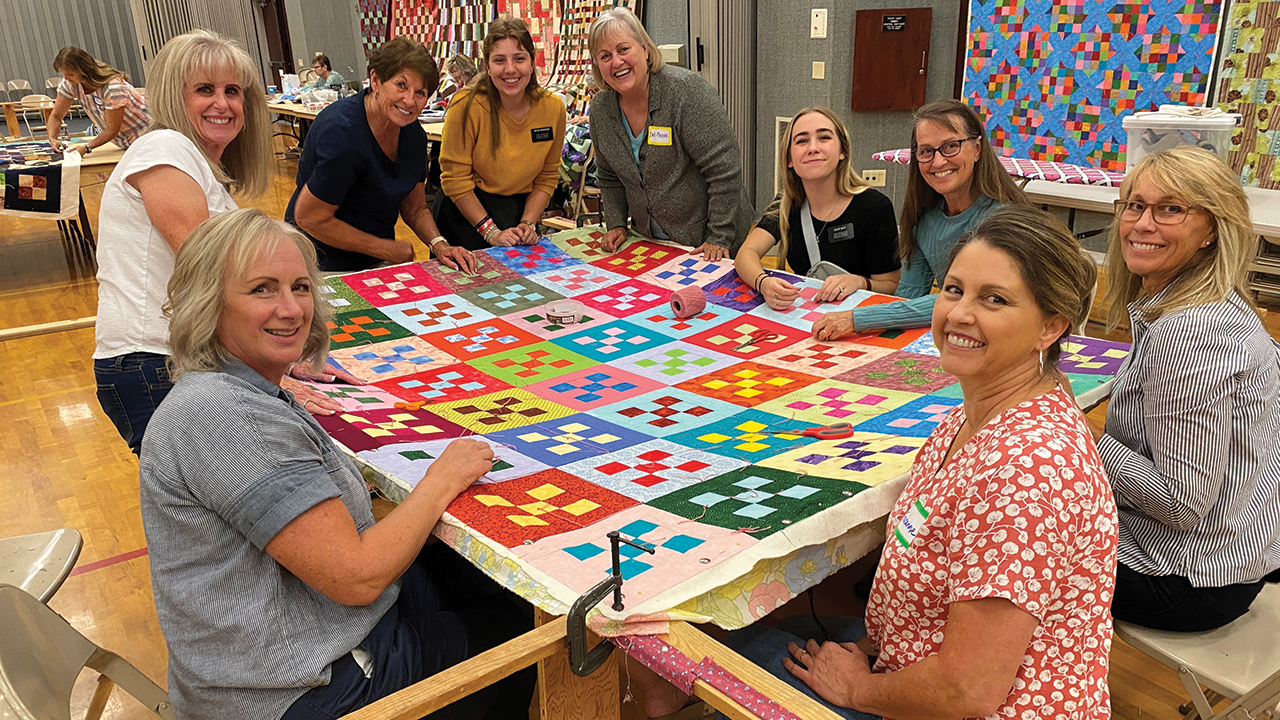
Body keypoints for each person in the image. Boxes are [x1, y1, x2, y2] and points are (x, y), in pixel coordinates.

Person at [694, 206, 1114, 720]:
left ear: (1050, 327)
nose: (959, 314)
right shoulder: (978, 417)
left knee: (728, 665)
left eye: (995, 299)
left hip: (973, 706)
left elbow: (968, 690)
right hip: (915, 657)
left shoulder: (1025, 471)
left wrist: (856, 690)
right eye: (954, 290)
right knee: (758, 641)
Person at [141, 208, 535, 720]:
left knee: (494, 580)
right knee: (521, 629)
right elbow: (356, 578)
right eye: (262, 289)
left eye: (300, 287)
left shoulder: (231, 389)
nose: (291, 309)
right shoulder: (226, 417)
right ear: (208, 304)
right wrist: (442, 477)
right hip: (296, 689)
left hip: (292, 634)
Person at [1092, 146, 1280, 632]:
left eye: (1170, 209)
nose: (1142, 224)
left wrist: (1080, 437)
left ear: (1212, 229)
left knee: (989, 529)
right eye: (1135, 205)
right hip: (1236, 553)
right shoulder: (1216, 303)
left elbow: (1181, 502)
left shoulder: (1191, 333)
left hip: (1183, 579)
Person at [92, 29, 276, 453]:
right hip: (156, 361)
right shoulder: (165, 147)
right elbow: (208, 269)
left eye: (233, 91)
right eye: (204, 90)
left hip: (174, 359)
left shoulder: (193, 162)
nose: (222, 104)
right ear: (174, 96)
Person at [811, 100, 1026, 342]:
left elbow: (965, 299)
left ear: (977, 149)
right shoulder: (924, 219)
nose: (938, 161)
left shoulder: (1003, 221)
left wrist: (857, 319)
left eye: (951, 146)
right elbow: (909, 297)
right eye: (926, 151)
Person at [287, 37, 476, 273]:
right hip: (316, 263)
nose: (410, 100)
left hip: (374, 259)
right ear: (376, 80)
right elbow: (310, 217)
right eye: (401, 85)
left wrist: (440, 245)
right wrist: (385, 249)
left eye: (420, 92)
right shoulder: (341, 133)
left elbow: (415, 208)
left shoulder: (413, 135)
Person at [587, 8, 753, 261]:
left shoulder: (685, 93)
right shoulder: (601, 110)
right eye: (605, 56)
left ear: (645, 49)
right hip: (650, 242)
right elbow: (609, 176)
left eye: (623, 49)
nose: (617, 62)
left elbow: (724, 170)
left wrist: (719, 237)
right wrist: (617, 223)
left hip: (709, 240)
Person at [735, 107, 900, 308]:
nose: (813, 148)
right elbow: (746, 253)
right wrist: (763, 283)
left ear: (842, 151)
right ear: (789, 159)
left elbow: (890, 285)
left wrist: (859, 282)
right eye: (801, 141)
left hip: (857, 316)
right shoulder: (786, 203)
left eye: (824, 138)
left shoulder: (875, 207)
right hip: (803, 313)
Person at [435, 18, 566, 250]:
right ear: (487, 65)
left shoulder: (552, 109)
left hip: (518, 213)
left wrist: (528, 223)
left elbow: (547, 175)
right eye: (499, 60)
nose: (510, 69)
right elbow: (455, 179)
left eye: (519, 58)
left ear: (532, 62)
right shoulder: (467, 105)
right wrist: (491, 231)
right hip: (465, 217)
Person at [46, 46, 152, 154]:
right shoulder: (70, 83)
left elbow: (112, 129)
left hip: (147, 135)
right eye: (63, 73)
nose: (66, 78)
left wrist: (87, 147)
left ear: (83, 71)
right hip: (124, 141)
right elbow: (56, 116)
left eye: (70, 74)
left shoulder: (113, 87)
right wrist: (52, 138)